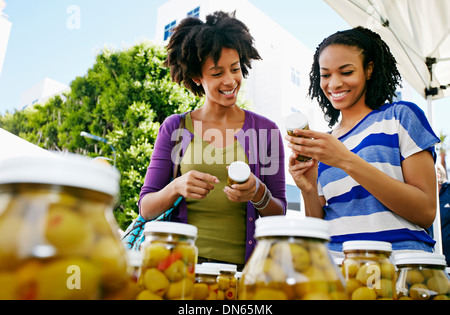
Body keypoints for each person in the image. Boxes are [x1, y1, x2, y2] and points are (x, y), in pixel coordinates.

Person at [138, 11, 286, 268]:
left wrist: (257, 193)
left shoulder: (266, 131)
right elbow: (146, 208)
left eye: (235, 69)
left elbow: (279, 211)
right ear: (198, 78)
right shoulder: (175, 127)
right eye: (217, 73)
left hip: (244, 273)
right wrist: (176, 187)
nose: (230, 81)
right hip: (180, 268)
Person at [286, 26, 440, 257]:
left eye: (346, 72)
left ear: (368, 70)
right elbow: (318, 226)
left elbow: (426, 211)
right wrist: (308, 188)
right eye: (326, 75)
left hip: (399, 263)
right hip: (338, 269)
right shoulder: (326, 144)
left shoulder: (400, 116)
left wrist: (346, 160)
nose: (334, 84)